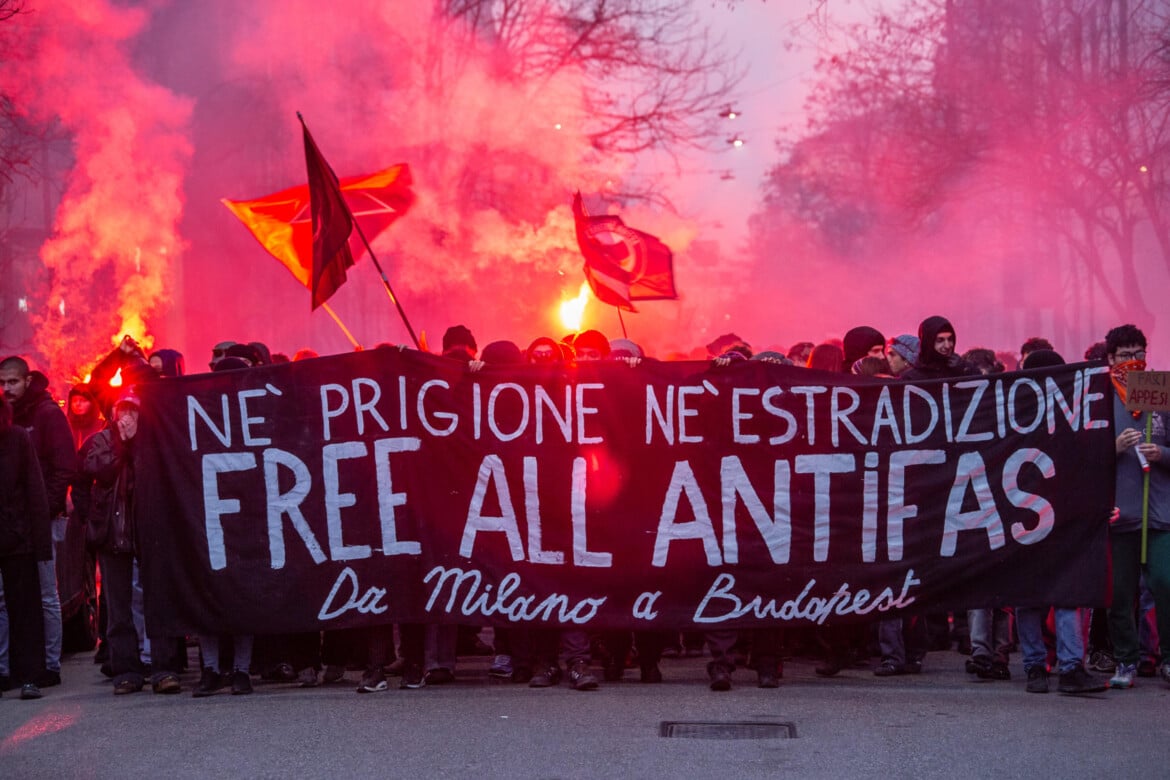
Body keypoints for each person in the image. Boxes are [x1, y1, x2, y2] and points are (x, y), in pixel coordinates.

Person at [1012, 348, 1107, 694]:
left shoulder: (1071, 414)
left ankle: (1050, 667)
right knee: (1044, 594)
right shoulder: (1022, 414)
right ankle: (1060, 667)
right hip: (1039, 514)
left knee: (1054, 593)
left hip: (1047, 515)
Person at [76, 388, 182, 695]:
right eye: (122, 411)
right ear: (112, 414)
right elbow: (96, 471)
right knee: (119, 608)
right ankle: (126, 671)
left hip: (151, 533)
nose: (126, 417)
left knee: (157, 604)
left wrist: (137, 443)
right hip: (114, 534)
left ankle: (163, 669)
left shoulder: (153, 441)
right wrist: (91, 517)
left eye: (132, 411)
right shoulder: (101, 442)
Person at [0, 356, 76, 689]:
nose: (6, 389)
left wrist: (45, 512)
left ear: (27, 380)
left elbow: (63, 468)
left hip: (41, 519)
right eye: (2, 383)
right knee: (14, 598)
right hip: (15, 525)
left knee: (46, 594)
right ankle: (16, 666)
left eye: (12, 382)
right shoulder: (12, 420)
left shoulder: (47, 414)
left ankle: (49, 665)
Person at [1102, 324, 1170, 689]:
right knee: (1121, 594)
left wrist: (1162, 453)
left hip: (1159, 513)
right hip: (1119, 513)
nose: (1133, 361)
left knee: (1165, 582)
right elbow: (1081, 457)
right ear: (1110, 359)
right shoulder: (1100, 395)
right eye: (1125, 355)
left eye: (1138, 353)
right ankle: (1125, 660)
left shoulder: (1160, 389)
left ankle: (1167, 659)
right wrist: (1111, 449)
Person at [0, 392, 50, 699]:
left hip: (18, 539)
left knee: (26, 610)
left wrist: (40, 544)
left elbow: (34, 489)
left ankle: (30, 675)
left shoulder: (17, 438)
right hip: (15, 534)